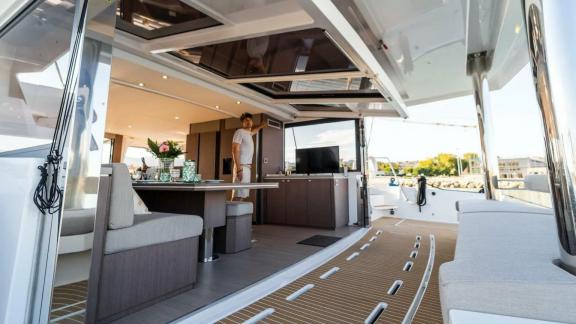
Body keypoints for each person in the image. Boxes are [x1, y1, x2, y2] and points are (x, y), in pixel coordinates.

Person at [232, 113, 267, 200]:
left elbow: (254, 131)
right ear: (242, 123)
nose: (248, 121)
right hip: (242, 167)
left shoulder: (249, 134)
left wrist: (261, 126)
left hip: (247, 168)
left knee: (243, 196)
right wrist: (239, 169)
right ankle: (229, 214)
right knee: (238, 196)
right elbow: (234, 150)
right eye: (246, 120)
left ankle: (239, 213)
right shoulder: (239, 132)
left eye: (250, 120)